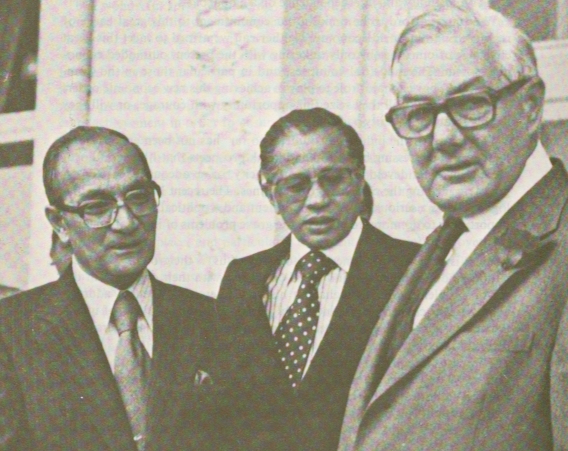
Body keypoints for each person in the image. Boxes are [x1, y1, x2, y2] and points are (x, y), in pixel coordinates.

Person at [339, 5, 568, 451]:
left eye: (470, 104)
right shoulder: (444, 246)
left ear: (530, 107)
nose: (443, 137)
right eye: (419, 113)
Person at [0, 126, 219, 451]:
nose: (127, 222)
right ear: (59, 223)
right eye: (97, 206)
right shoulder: (11, 331)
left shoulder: (212, 319)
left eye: (139, 197)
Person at [215, 107, 419, 451]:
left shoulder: (412, 269)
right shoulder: (242, 279)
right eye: (296, 185)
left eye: (334, 179)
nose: (318, 200)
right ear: (270, 194)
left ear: (360, 179)